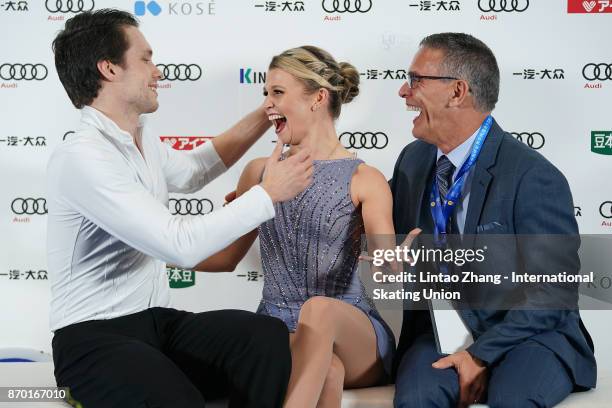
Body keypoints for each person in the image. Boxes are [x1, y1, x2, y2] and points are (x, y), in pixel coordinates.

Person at [47, 9, 314, 408]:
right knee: (175, 397)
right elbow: (179, 246)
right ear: (109, 69)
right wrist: (267, 195)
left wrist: (267, 112)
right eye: (146, 58)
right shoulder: (84, 157)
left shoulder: (139, 139)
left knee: (263, 337)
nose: (157, 71)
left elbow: (194, 170)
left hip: (155, 324)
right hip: (91, 341)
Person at [390, 32, 596, 408]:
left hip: (530, 335)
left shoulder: (533, 176)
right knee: (417, 399)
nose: (404, 91)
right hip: (443, 333)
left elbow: (554, 292)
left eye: (416, 79)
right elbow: (368, 219)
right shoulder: (413, 160)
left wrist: (479, 354)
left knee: (513, 400)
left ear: (457, 92)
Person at [195, 45, 401, 407]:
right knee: (328, 372)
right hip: (280, 328)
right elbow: (227, 258)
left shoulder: (365, 179)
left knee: (319, 309)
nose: (267, 105)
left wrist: (389, 264)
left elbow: (385, 261)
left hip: (355, 334)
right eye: (265, 94)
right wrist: (150, 251)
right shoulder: (259, 172)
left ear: (318, 98)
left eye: (278, 93)